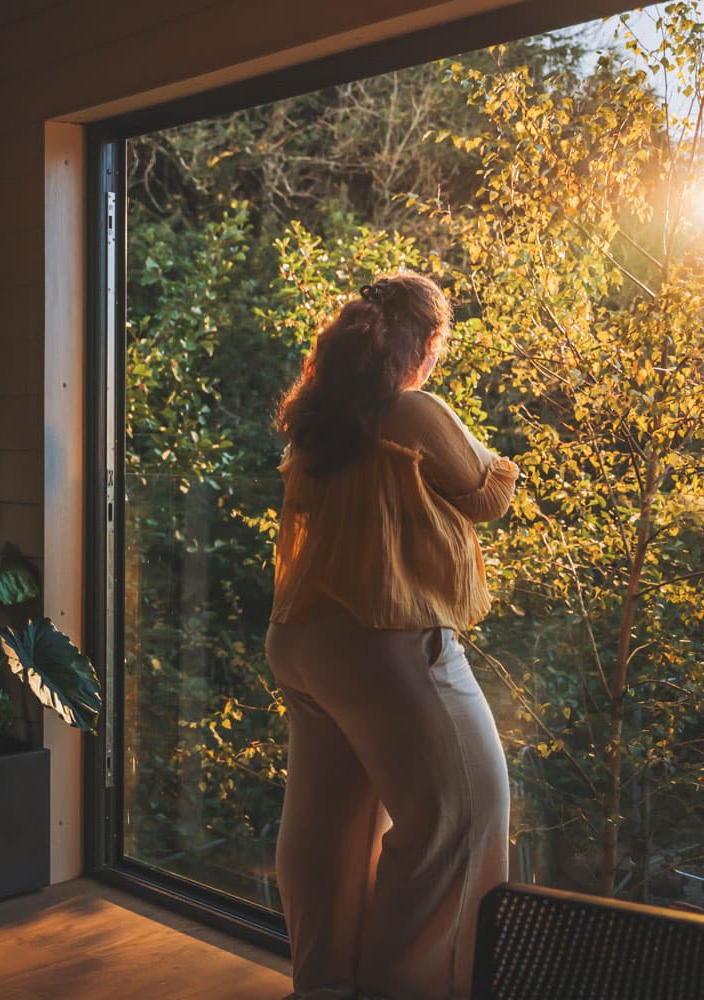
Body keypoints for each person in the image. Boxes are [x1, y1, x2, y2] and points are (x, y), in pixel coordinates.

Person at [266, 271, 518, 1000]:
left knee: (328, 827)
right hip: (385, 641)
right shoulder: (410, 410)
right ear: (428, 342)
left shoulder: (317, 417)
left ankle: (324, 985)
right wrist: (493, 455)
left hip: (302, 640)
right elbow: (488, 494)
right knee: (461, 819)